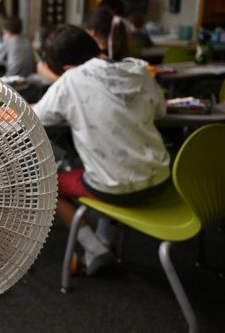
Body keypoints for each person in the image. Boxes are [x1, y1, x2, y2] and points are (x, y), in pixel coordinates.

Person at [33, 25, 170, 275]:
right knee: (104, 163)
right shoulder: (139, 70)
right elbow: (161, 110)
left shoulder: (71, 81)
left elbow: (36, 116)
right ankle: (105, 238)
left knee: (48, 183)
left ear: (65, 70)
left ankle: (93, 247)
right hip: (161, 180)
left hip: (115, 188)